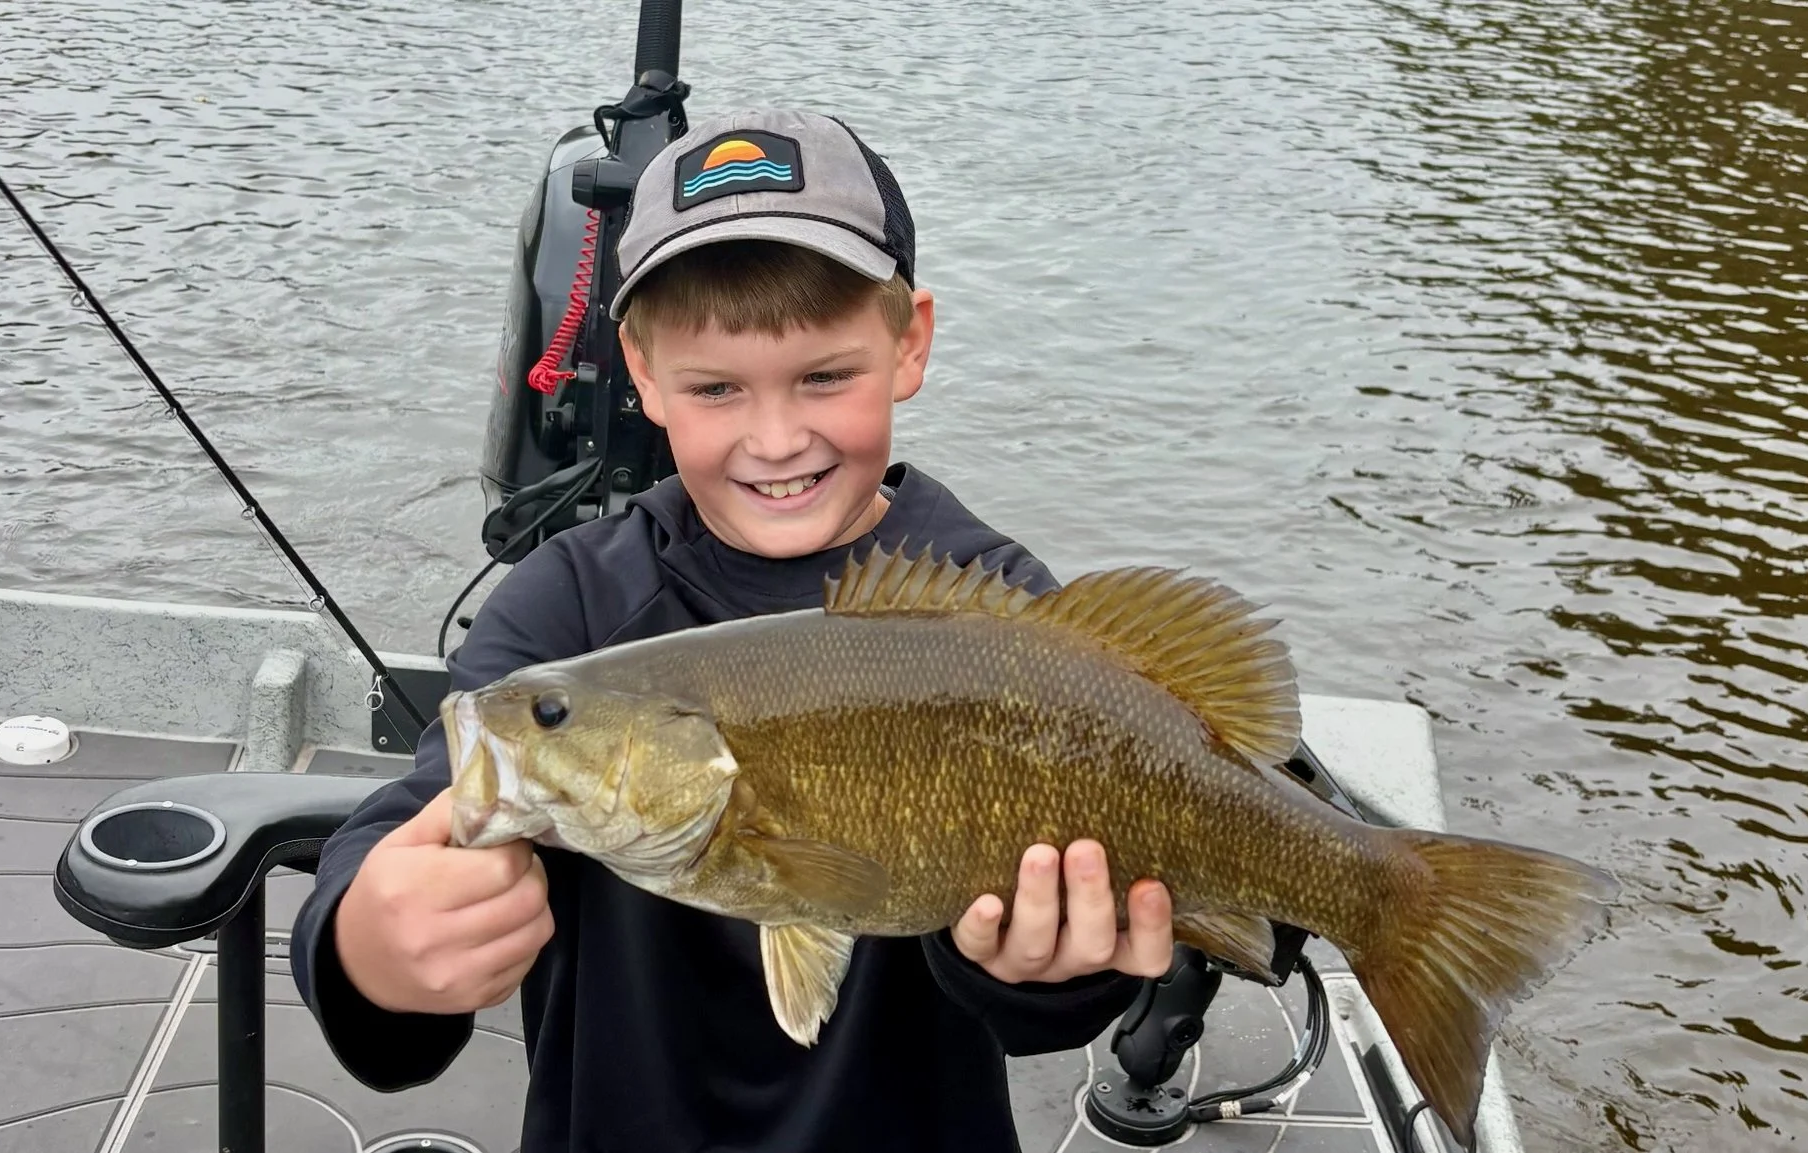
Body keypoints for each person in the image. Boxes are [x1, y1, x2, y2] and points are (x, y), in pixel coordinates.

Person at [292, 107, 1176, 1152]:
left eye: (824, 376)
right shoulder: (569, 605)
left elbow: (1051, 1008)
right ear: (643, 373)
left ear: (910, 343)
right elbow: (393, 831)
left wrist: (1050, 970)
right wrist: (369, 944)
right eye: (716, 387)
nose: (774, 436)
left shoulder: (993, 602)